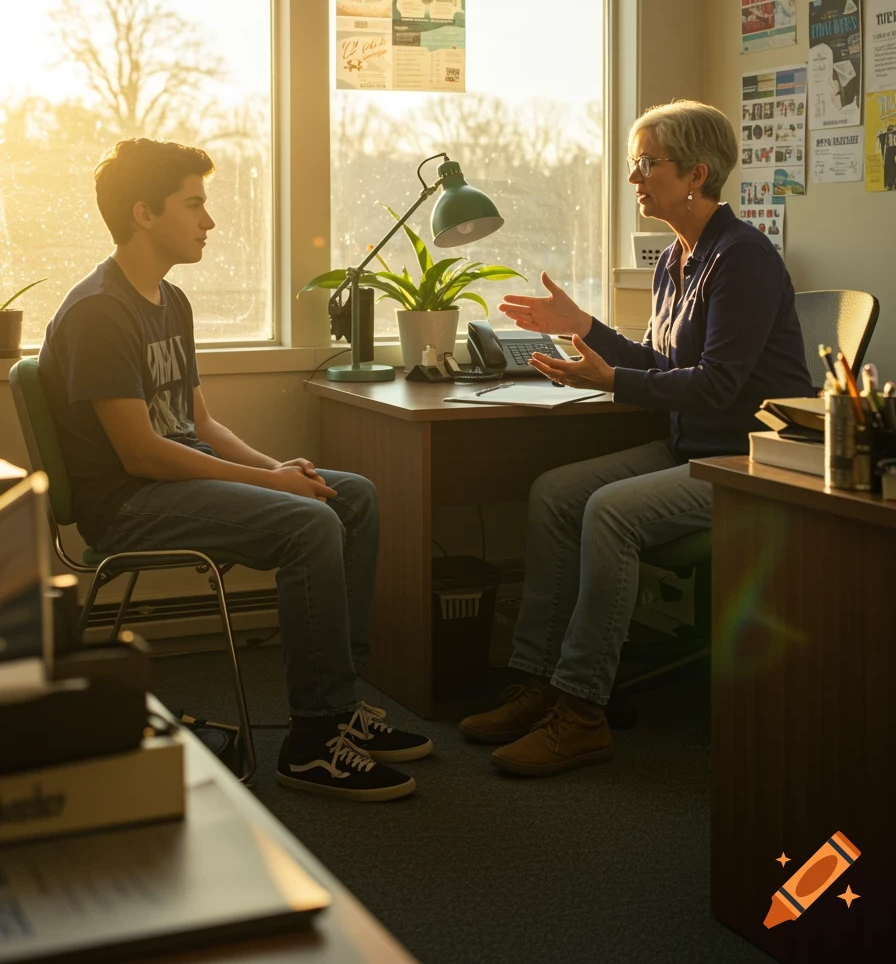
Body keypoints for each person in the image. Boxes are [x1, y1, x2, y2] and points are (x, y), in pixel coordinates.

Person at [39, 138, 432, 802]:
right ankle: (311, 743)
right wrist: (273, 486)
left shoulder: (171, 301)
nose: (209, 221)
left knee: (349, 495)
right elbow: (142, 453)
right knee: (308, 524)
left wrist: (279, 466)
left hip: (178, 481)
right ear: (143, 213)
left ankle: (339, 705)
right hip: (129, 504)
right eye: (194, 204)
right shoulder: (100, 313)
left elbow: (201, 426)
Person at [459, 101, 813, 778]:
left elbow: (714, 385)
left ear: (696, 174)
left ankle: (582, 711)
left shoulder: (744, 259)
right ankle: (537, 681)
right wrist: (583, 325)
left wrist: (611, 378)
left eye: (648, 164)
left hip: (751, 460)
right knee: (555, 493)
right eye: (634, 163)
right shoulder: (676, 259)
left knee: (609, 513)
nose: (634, 178)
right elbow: (661, 365)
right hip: (692, 448)